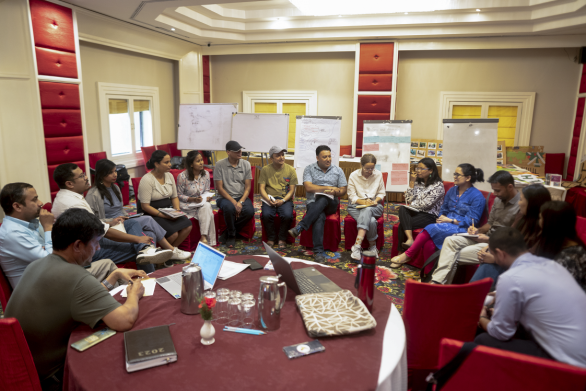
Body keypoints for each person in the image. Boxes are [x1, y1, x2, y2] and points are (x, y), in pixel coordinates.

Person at [5, 208, 147, 390]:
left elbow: (80, 299)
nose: (99, 248)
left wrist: (114, 275)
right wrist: (135, 293)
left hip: (19, 366)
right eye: (96, 242)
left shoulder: (38, 264)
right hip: (50, 377)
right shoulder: (75, 276)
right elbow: (124, 320)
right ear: (78, 245)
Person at [475, 227, 586, 368]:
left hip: (569, 363)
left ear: (500, 253)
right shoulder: (552, 265)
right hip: (578, 347)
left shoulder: (510, 278)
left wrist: (482, 317)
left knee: (483, 339)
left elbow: (501, 333)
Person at [51, 163, 173, 271]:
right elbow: (103, 231)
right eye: (81, 176)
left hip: (91, 238)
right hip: (87, 250)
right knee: (142, 244)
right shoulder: (73, 203)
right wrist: (137, 239)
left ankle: (147, 254)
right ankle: (149, 269)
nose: (86, 177)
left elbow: (92, 223)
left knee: (132, 224)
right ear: (69, 184)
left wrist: (109, 222)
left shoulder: (67, 196)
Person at [0, 183, 121, 288]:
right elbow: (50, 260)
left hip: (53, 276)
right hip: (40, 289)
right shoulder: (12, 233)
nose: (40, 203)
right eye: (34, 200)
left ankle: (113, 304)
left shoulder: (31, 223)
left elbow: (56, 247)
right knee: (107, 269)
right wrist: (48, 228)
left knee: (104, 263)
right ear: (17, 206)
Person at [86, 159, 191, 261]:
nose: (115, 175)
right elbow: (93, 220)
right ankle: (171, 250)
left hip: (125, 220)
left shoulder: (116, 188)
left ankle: (152, 264)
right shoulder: (93, 194)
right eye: (110, 173)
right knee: (148, 219)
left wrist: (126, 216)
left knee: (150, 233)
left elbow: (121, 209)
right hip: (112, 224)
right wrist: (111, 220)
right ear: (101, 174)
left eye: (115, 171)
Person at [429, 171, 519, 284]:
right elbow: (490, 223)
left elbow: (515, 236)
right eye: (493, 190)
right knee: (450, 241)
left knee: (450, 255)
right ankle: (439, 285)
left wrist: (488, 239)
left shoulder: (520, 204)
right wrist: (478, 230)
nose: (494, 194)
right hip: (486, 238)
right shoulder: (498, 200)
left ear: (510, 187)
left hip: (498, 244)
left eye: (497, 190)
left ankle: (437, 285)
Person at [390, 163, 486, 268]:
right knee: (428, 244)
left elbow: (472, 221)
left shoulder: (477, 196)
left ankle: (408, 254)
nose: (454, 176)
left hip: (462, 228)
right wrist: (440, 218)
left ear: (468, 178)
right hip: (445, 223)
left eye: (458, 175)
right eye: (454, 174)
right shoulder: (452, 190)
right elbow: (443, 208)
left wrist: (450, 221)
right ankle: (426, 273)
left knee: (430, 227)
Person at [470, 184, 551, 286]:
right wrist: (489, 247)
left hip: (525, 272)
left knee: (489, 266)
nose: (519, 203)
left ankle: (471, 297)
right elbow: (508, 237)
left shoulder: (544, 225)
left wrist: (495, 259)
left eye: (521, 200)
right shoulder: (522, 216)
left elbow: (531, 260)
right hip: (509, 259)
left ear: (532, 203)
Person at [288, 145, 348, 263]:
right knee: (319, 216)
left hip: (331, 204)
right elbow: (309, 187)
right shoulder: (309, 168)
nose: (328, 159)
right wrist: (328, 188)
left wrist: (335, 191)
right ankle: (318, 252)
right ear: (317, 158)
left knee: (324, 199)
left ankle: (300, 227)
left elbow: (343, 190)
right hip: (313, 203)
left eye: (329, 156)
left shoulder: (338, 170)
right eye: (324, 157)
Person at [138, 150, 193, 253]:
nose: (170, 165)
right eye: (166, 162)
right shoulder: (147, 179)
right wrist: (163, 216)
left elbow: (174, 197)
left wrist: (176, 210)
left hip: (167, 210)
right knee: (173, 234)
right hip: (151, 213)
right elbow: (145, 206)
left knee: (188, 225)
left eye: (169, 162)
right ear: (156, 164)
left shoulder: (169, 176)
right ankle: (166, 254)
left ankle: (171, 252)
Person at [534, 201, 586, 291]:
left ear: (550, 224)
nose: (538, 222)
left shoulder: (568, 260)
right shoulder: (562, 244)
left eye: (540, 218)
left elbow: (558, 293)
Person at [213, 140, 254, 248]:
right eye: (236, 151)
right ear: (228, 152)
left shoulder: (246, 164)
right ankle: (231, 234)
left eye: (240, 150)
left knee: (250, 211)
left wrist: (240, 202)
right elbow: (220, 189)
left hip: (241, 196)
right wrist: (234, 202)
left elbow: (248, 187)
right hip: (224, 197)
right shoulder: (220, 164)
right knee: (229, 208)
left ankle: (227, 231)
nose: (239, 152)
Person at [398, 158, 445, 249]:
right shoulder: (418, 182)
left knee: (402, 225)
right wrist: (412, 182)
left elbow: (427, 204)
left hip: (430, 215)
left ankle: (401, 252)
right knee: (402, 208)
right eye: (417, 168)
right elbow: (408, 199)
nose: (418, 171)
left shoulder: (438, 185)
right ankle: (410, 239)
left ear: (430, 170)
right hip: (416, 211)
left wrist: (412, 204)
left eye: (421, 168)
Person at [347, 153, 385, 260]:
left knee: (367, 209)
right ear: (361, 165)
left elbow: (381, 193)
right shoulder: (353, 175)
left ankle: (357, 246)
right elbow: (352, 196)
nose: (370, 171)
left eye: (372, 168)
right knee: (371, 221)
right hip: (356, 206)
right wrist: (364, 203)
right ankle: (373, 247)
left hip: (374, 206)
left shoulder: (378, 174)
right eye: (367, 168)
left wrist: (375, 201)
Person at [258, 145, 298, 249]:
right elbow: (262, 188)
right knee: (266, 215)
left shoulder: (290, 170)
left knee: (288, 215)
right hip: (269, 198)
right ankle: (271, 238)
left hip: (285, 198)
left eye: (282, 155)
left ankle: (282, 238)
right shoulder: (265, 170)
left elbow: (292, 190)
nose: (282, 157)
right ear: (271, 158)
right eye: (278, 156)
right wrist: (268, 199)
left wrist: (283, 200)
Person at [177, 151, 216, 246]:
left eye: (201, 160)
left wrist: (207, 197)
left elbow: (206, 190)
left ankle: (203, 237)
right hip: (188, 205)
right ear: (191, 164)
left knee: (207, 205)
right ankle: (209, 241)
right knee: (208, 212)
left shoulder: (206, 174)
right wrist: (193, 199)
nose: (201, 163)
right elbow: (179, 195)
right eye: (198, 161)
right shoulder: (182, 176)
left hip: (201, 203)